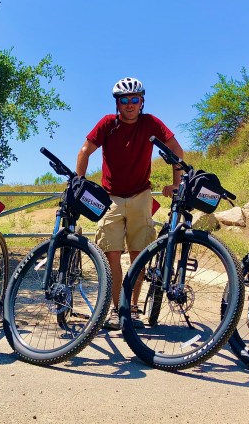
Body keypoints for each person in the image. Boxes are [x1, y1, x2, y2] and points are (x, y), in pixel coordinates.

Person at [76, 77, 184, 330]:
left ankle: (132, 309)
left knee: (139, 256)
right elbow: (84, 151)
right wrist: (78, 183)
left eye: (134, 99)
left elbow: (176, 151)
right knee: (110, 256)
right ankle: (116, 310)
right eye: (124, 100)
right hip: (110, 197)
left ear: (142, 101)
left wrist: (176, 182)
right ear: (117, 103)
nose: (129, 105)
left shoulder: (150, 123)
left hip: (140, 196)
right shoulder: (107, 124)